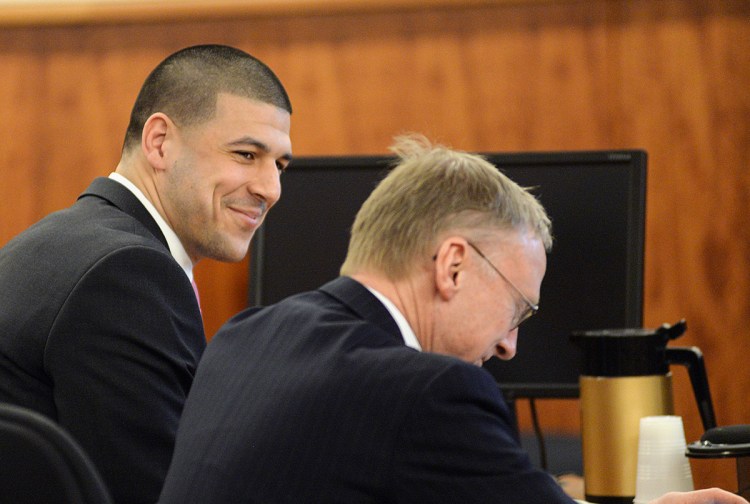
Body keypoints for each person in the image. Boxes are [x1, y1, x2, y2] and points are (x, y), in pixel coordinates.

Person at [158, 135, 746, 504]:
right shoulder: (427, 392)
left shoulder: (247, 335)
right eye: (518, 308)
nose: (512, 345)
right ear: (454, 266)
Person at [0, 44, 292, 504]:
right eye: (245, 154)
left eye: (279, 164)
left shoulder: (67, 239)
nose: (270, 189)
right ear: (159, 142)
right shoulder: (126, 275)